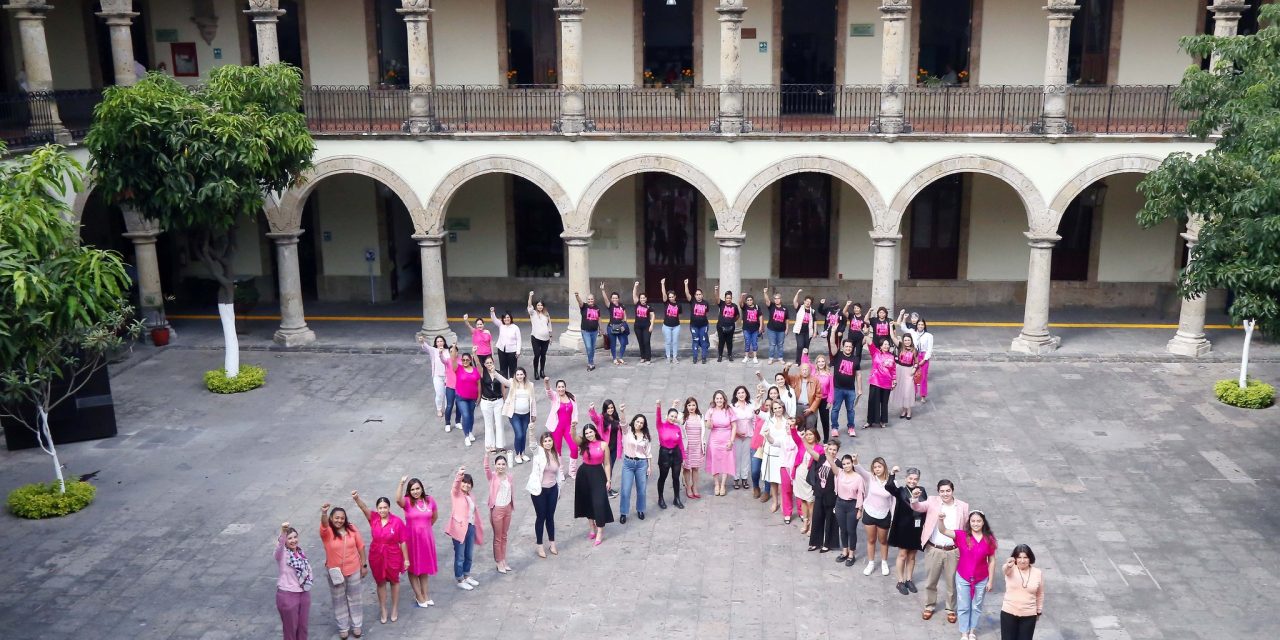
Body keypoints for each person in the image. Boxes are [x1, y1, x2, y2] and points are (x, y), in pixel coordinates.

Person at [911, 479, 971, 624]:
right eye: (942, 491)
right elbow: (918, 507)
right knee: (931, 580)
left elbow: (966, 527)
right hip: (934, 548)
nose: (945, 494)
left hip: (953, 550)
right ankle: (929, 606)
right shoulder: (932, 501)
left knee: (952, 582)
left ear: (952, 491)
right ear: (938, 492)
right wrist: (914, 498)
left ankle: (951, 609)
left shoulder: (962, 506)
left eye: (948, 491)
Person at [937, 511, 998, 640]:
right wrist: (941, 519)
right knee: (964, 606)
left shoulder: (989, 539)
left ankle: (972, 631)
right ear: (969, 522)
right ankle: (964, 632)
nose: (975, 524)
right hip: (963, 576)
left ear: (983, 522)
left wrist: (991, 581)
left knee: (976, 606)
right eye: (973, 521)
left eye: (978, 521)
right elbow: (943, 531)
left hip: (981, 578)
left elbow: (992, 561)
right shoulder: (961, 535)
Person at [351, 491, 408, 624]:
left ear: (389, 508)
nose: (382, 510)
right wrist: (356, 498)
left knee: (394, 581)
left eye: (385, 507)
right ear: (377, 509)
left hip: (393, 554)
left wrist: (406, 559)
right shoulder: (374, 518)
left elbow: (403, 541)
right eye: (380, 508)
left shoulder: (397, 522)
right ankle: (383, 609)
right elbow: (363, 508)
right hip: (377, 555)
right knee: (380, 582)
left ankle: (394, 608)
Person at [319, 504, 366, 639]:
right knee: (339, 600)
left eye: (342, 518)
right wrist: (324, 513)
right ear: (331, 519)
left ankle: (357, 625)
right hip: (335, 572)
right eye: (336, 518)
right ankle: (343, 627)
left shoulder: (352, 529)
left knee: (355, 598)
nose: (339, 520)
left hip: (354, 569)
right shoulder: (327, 532)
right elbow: (323, 524)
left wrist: (364, 565)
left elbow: (361, 546)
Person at [395, 476, 439, 608]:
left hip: (426, 539)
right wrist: (401, 483)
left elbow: (435, 516)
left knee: (424, 567)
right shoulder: (408, 502)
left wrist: (425, 528)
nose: (415, 491)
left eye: (418, 488)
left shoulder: (429, 500)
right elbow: (398, 499)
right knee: (413, 568)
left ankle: (426, 595)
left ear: (422, 488)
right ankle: (419, 596)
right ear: (409, 491)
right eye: (413, 489)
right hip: (412, 539)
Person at [887, 465, 927, 595]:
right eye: (910, 478)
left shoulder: (922, 490)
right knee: (903, 554)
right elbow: (888, 487)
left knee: (912, 555)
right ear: (906, 478)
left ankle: (909, 579)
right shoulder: (901, 491)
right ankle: (900, 580)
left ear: (918, 480)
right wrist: (892, 473)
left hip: (916, 527)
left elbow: (925, 506)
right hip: (903, 527)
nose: (912, 481)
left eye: (915, 479)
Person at [526, 431, 565, 558]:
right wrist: (532, 431)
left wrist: (559, 489)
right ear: (542, 443)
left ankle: (552, 543)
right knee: (541, 516)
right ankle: (540, 545)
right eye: (545, 441)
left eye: (550, 440)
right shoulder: (538, 453)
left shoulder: (556, 454)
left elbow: (559, 474)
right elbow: (532, 444)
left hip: (552, 489)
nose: (548, 443)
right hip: (539, 491)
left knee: (550, 517)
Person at [573, 424, 615, 544]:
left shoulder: (603, 444)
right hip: (584, 474)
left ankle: (600, 531)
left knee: (599, 502)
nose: (589, 435)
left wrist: (608, 480)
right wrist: (573, 428)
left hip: (598, 474)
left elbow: (607, 463)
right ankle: (592, 527)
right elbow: (573, 436)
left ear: (595, 432)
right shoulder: (583, 443)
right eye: (586, 433)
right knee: (588, 502)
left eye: (591, 432)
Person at [446, 466, 485, 591]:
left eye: (469, 483)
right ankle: (460, 578)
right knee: (460, 555)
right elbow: (455, 486)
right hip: (459, 529)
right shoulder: (456, 494)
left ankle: (467, 575)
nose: (466, 485)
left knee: (469, 554)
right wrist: (459, 475)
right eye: (464, 483)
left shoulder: (471, 496)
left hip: (471, 527)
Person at [855, 456, 894, 577]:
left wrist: (892, 517)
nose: (877, 469)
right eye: (875, 467)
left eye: (879, 466)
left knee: (883, 541)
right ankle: (871, 563)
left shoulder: (891, 482)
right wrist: (855, 461)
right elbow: (860, 470)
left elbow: (893, 501)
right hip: (870, 512)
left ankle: (884, 562)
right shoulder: (870, 478)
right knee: (871, 540)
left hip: (884, 514)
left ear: (884, 467)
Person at [274, 522, 312, 640]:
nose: (293, 540)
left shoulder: (300, 552)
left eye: (295, 537)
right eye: (290, 538)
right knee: (290, 629)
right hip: (287, 595)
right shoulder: (282, 554)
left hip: (304, 593)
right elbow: (279, 547)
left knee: (303, 627)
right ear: (285, 540)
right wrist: (283, 532)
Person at [1000, 545, 1045, 640]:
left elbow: (1040, 593)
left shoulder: (1037, 573)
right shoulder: (1011, 569)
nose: (1022, 560)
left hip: (1029, 615)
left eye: (1025, 557)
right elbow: (1004, 570)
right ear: (1015, 559)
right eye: (1019, 557)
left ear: (1030, 558)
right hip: (1009, 613)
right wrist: (1008, 565)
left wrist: (1039, 611)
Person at [756, 399, 791, 514]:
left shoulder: (788, 421)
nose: (777, 410)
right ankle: (775, 501)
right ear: (772, 410)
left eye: (779, 407)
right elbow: (764, 435)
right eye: (775, 408)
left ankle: (782, 502)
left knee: (782, 481)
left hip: (782, 454)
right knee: (772, 480)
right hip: (770, 454)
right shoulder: (769, 420)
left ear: (783, 408)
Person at [482, 453, 515, 574]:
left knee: (504, 536)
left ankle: (504, 559)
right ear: (495, 465)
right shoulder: (493, 477)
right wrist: (487, 455)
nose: (501, 466)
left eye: (503, 464)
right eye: (498, 464)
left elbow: (511, 492)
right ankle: (498, 561)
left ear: (506, 465)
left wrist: (511, 506)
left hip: (507, 508)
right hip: (497, 510)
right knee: (498, 537)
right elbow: (486, 468)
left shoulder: (509, 477)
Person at [826, 329, 863, 438]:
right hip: (837, 388)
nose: (848, 348)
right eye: (846, 346)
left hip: (850, 389)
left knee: (851, 410)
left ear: (852, 348)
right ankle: (834, 428)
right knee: (835, 409)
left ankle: (851, 427)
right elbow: (832, 343)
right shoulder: (837, 355)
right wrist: (833, 331)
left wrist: (860, 389)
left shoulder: (856, 359)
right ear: (843, 347)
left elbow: (859, 375)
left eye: (850, 347)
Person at [495, 367, 535, 463]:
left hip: (526, 414)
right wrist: (494, 373)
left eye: (521, 374)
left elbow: (533, 401)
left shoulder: (530, 385)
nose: (520, 376)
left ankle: (523, 453)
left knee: (524, 434)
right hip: (514, 414)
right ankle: (517, 454)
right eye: (518, 374)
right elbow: (503, 380)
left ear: (524, 375)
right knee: (519, 434)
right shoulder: (512, 383)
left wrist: (533, 414)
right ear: (515, 376)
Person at [807, 439, 841, 553]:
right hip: (819, 494)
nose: (832, 451)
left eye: (834, 450)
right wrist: (801, 438)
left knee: (830, 520)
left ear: (837, 451)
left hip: (831, 496)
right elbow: (810, 451)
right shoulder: (822, 458)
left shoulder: (839, 463)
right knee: (817, 518)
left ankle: (828, 544)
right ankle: (815, 542)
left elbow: (838, 475)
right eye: (830, 449)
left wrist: (830, 459)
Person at [618, 413, 652, 523]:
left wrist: (649, 467)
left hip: (642, 464)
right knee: (625, 490)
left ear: (644, 425)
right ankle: (623, 512)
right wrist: (623, 411)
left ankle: (640, 510)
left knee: (642, 490)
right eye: (637, 421)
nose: (639, 424)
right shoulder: (627, 431)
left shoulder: (646, 436)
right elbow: (623, 422)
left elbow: (648, 452)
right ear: (634, 421)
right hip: (628, 463)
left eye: (641, 423)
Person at [832, 454, 865, 567]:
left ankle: (851, 554)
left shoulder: (858, 477)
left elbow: (860, 494)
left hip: (852, 505)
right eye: (844, 464)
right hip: (840, 504)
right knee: (843, 529)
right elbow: (831, 463)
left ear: (852, 463)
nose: (846, 466)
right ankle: (844, 551)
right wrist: (826, 451)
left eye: (848, 463)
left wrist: (860, 509)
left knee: (851, 530)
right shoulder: (840, 474)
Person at [654, 400, 687, 510]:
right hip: (664, 454)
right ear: (667, 416)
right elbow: (658, 417)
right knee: (663, 477)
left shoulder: (677, 428)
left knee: (676, 477)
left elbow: (681, 444)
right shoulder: (661, 426)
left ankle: (676, 498)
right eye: (671, 416)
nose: (673, 418)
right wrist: (658, 406)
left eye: (675, 416)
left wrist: (684, 457)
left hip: (676, 454)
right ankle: (660, 498)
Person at [588, 400, 622, 498]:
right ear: (605, 409)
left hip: (614, 447)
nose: (610, 410)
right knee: (608, 468)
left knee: (610, 469)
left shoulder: (615, 417)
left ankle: (608, 488)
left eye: (612, 408)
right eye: (608, 408)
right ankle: (606, 490)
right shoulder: (601, 418)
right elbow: (594, 418)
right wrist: (592, 409)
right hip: (605, 448)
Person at [704, 390, 736, 496]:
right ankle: (716, 484)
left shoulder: (729, 410)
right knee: (715, 461)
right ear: (714, 400)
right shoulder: (710, 410)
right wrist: (709, 418)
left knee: (726, 461)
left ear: (724, 399)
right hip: (714, 439)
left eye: (721, 398)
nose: (719, 400)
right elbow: (708, 427)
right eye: (717, 398)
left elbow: (734, 426)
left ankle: (723, 485)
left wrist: (731, 440)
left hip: (726, 438)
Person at [792, 426, 822, 535]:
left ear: (815, 436)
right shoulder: (801, 444)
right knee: (803, 500)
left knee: (810, 502)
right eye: (807, 434)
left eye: (811, 434)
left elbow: (820, 460)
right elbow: (794, 436)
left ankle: (813, 525)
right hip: (800, 474)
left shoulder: (820, 448)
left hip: (811, 477)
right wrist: (793, 427)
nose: (809, 436)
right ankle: (805, 521)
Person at [448, 346, 481, 446]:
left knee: (471, 415)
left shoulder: (475, 370)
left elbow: (479, 384)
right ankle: (466, 436)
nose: (465, 361)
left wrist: (479, 397)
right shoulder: (458, 369)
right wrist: (454, 346)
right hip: (461, 397)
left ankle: (470, 431)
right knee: (465, 415)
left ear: (470, 360)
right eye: (463, 360)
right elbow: (453, 358)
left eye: (467, 360)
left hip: (473, 397)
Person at [543, 378, 579, 461]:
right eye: (559, 387)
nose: (561, 389)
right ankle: (560, 471)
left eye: (562, 387)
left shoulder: (572, 397)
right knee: (557, 450)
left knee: (574, 448)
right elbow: (548, 391)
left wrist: (575, 421)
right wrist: (546, 382)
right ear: (556, 388)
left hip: (568, 428)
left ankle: (572, 471)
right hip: (557, 427)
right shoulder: (554, 396)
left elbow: (576, 411)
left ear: (565, 387)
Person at [783, 361, 823, 434]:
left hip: (810, 407)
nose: (804, 372)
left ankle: (810, 444)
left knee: (810, 428)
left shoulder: (815, 380)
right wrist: (787, 369)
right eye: (803, 370)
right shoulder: (796, 378)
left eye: (806, 370)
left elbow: (818, 396)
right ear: (800, 371)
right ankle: (799, 444)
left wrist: (811, 409)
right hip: (798, 406)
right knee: (799, 427)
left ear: (809, 370)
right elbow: (785, 379)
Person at [865, 337, 897, 429]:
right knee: (872, 402)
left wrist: (894, 380)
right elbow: (870, 343)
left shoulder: (891, 356)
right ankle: (869, 421)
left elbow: (893, 370)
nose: (886, 346)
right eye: (884, 344)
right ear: (881, 346)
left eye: (888, 344)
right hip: (875, 381)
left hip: (887, 383)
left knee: (884, 403)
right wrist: (866, 334)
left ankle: (883, 421)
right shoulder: (875, 353)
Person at [418, 335, 451, 422]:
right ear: (436, 343)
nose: (440, 343)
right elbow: (426, 347)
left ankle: (447, 409)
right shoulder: (434, 351)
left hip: (448, 376)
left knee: (448, 395)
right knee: (440, 394)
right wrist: (422, 341)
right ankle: (439, 409)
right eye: (438, 342)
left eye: (441, 341)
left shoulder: (448, 351)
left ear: (444, 342)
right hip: (437, 376)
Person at [678, 396, 706, 498]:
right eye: (689, 405)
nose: (691, 407)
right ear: (686, 406)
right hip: (687, 446)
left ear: (696, 406)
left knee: (695, 468)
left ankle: (695, 487)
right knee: (686, 468)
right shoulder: (682, 416)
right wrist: (674, 405)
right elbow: (669, 417)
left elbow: (703, 431)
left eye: (693, 405)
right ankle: (688, 487)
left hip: (697, 446)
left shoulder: (700, 416)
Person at [729, 385, 755, 491]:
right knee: (736, 457)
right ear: (736, 394)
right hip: (736, 435)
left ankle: (744, 478)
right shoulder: (732, 406)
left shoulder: (751, 404)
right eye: (739, 393)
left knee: (746, 458)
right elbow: (729, 421)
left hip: (749, 434)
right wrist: (736, 433)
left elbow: (754, 419)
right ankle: (736, 478)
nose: (741, 394)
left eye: (743, 392)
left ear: (746, 394)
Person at [478, 358, 506, 453]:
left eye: (491, 362)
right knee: (488, 424)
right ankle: (491, 445)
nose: (489, 364)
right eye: (487, 363)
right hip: (486, 401)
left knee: (499, 423)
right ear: (485, 365)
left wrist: (505, 400)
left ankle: (500, 445)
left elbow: (503, 388)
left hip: (498, 400)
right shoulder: (483, 373)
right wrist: (474, 354)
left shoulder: (499, 373)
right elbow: (477, 364)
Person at [891, 332, 920, 420]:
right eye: (905, 340)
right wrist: (891, 326)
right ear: (903, 341)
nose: (907, 342)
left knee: (908, 391)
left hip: (909, 371)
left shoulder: (914, 350)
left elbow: (916, 362)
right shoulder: (900, 346)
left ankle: (909, 411)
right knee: (902, 391)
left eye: (908, 340)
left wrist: (914, 368)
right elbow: (892, 337)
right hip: (900, 370)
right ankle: (903, 410)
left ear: (911, 341)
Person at [526, 292, 553, 381]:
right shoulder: (533, 313)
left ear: (543, 306)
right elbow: (529, 305)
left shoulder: (546, 314)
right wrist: (530, 296)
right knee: (537, 354)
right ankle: (535, 371)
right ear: (536, 306)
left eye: (541, 305)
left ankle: (542, 371)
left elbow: (549, 325)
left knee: (543, 355)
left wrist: (551, 336)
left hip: (545, 338)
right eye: (538, 305)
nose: (540, 307)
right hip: (535, 337)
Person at [601, 282, 630, 365]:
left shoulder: (622, 306)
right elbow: (605, 299)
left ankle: (620, 357)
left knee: (623, 343)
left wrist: (624, 325)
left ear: (618, 298)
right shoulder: (610, 306)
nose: (614, 299)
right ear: (611, 299)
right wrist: (603, 290)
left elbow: (625, 317)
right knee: (613, 344)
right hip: (611, 327)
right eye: (613, 298)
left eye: (616, 298)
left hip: (621, 327)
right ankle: (614, 358)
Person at [573, 290, 601, 371]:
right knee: (589, 347)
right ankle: (590, 363)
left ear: (594, 300)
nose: (590, 301)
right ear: (587, 300)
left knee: (592, 348)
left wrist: (600, 328)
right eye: (589, 299)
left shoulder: (597, 308)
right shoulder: (584, 306)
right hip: (585, 331)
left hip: (594, 331)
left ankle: (591, 362)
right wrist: (577, 296)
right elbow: (580, 302)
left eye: (591, 299)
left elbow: (599, 318)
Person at [684, 279, 711, 364]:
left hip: (704, 325)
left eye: (700, 294)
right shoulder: (692, 301)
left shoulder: (706, 303)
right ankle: (695, 357)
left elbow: (706, 313)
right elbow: (687, 294)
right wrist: (686, 285)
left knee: (703, 341)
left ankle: (703, 357)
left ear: (702, 295)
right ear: (695, 296)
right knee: (695, 340)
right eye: (697, 295)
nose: (698, 296)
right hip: (694, 325)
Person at [489, 307, 521, 377]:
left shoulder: (515, 327)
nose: (506, 319)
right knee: (503, 368)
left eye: (508, 317)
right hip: (501, 350)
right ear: (503, 319)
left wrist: (518, 351)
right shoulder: (501, 325)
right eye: (505, 318)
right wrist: (492, 312)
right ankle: (504, 383)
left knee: (513, 368)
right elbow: (494, 319)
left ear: (511, 318)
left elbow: (519, 340)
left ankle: (513, 382)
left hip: (512, 351)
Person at [762, 287, 790, 364]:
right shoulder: (772, 306)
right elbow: (767, 300)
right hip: (771, 330)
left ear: (781, 299)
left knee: (780, 345)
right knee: (772, 344)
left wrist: (787, 329)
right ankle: (771, 358)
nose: (777, 300)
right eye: (775, 299)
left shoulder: (785, 308)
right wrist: (765, 293)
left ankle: (780, 358)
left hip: (781, 330)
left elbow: (787, 319)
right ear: (774, 300)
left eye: (778, 298)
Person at [910, 318, 934, 403]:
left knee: (923, 377)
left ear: (924, 326)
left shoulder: (929, 336)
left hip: (924, 356)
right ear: (916, 325)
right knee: (913, 376)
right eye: (919, 324)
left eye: (922, 325)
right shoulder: (913, 333)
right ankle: (913, 393)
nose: (920, 326)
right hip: (914, 355)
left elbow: (929, 349)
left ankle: (923, 395)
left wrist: (924, 359)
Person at [659, 277, 682, 363]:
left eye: (672, 297)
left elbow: (679, 314)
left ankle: (675, 357)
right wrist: (662, 284)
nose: (671, 298)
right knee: (668, 342)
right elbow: (664, 295)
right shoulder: (666, 303)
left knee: (675, 342)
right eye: (670, 297)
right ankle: (668, 357)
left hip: (676, 326)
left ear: (675, 296)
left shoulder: (679, 305)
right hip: (666, 326)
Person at [715, 287, 739, 362]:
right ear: (725, 298)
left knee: (729, 342)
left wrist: (732, 321)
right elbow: (716, 298)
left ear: (731, 298)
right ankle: (720, 355)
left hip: (730, 327)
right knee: (721, 342)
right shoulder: (721, 304)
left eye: (730, 298)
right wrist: (716, 290)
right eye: (727, 298)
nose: (728, 299)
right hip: (721, 327)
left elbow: (737, 316)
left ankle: (730, 355)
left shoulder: (734, 306)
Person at [632, 281, 653, 364]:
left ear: (646, 299)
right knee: (640, 342)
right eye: (641, 298)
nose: (642, 299)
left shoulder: (649, 307)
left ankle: (648, 358)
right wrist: (635, 286)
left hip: (646, 326)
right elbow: (634, 295)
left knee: (646, 341)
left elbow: (653, 316)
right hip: (637, 326)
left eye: (644, 298)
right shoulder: (637, 304)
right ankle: (643, 357)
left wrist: (651, 325)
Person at [792, 293, 817, 363]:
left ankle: (805, 361)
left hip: (808, 332)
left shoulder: (812, 311)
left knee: (806, 347)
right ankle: (798, 361)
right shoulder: (799, 307)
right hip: (799, 331)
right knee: (800, 346)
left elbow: (815, 322)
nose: (808, 303)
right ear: (804, 301)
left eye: (809, 302)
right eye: (807, 301)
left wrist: (815, 332)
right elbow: (794, 301)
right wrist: (797, 293)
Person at [740, 292, 761, 364]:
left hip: (755, 329)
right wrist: (742, 297)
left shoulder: (757, 307)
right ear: (746, 301)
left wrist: (761, 326)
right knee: (747, 342)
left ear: (753, 300)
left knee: (755, 343)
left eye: (750, 300)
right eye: (748, 300)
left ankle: (755, 357)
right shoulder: (745, 307)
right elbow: (741, 304)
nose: (749, 301)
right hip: (746, 329)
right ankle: (746, 357)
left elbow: (760, 316)